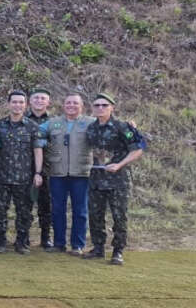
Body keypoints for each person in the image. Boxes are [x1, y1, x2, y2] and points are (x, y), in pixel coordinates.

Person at [84, 93, 144, 265]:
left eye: (104, 105)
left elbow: (139, 148)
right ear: (93, 108)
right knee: (95, 216)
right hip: (96, 179)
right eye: (97, 105)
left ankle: (118, 251)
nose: (100, 108)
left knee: (119, 217)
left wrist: (119, 164)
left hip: (118, 180)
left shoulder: (123, 127)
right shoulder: (91, 128)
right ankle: (98, 248)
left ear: (112, 107)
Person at [33, 93, 95, 256]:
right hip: (57, 173)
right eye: (68, 103)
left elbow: (108, 126)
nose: (71, 105)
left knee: (80, 210)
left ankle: (77, 245)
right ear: (63, 105)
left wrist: (130, 125)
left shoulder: (90, 122)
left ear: (81, 106)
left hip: (81, 173)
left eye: (75, 103)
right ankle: (59, 243)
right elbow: (36, 132)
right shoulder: (53, 123)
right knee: (58, 209)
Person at [0, 90, 36, 254]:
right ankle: (1, 242)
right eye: (14, 102)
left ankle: (21, 242)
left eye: (21, 102)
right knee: (0, 211)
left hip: (24, 178)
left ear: (26, 105)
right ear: (8, 104)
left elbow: (37, 152)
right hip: (1, 177)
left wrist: (37, 173)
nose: (17, 105)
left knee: (24, 212)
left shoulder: (32, 127)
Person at [26, 87, 53, 248]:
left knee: (46, 205)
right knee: (25, 205)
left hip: (48, 169)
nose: (39, 101)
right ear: (30, 102)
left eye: (43, 98)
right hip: (24, 168)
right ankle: (24, 237)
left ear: (48, 102)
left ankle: (45, 238)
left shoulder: (55, 122)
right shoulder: (22, 120)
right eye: (36, 98)